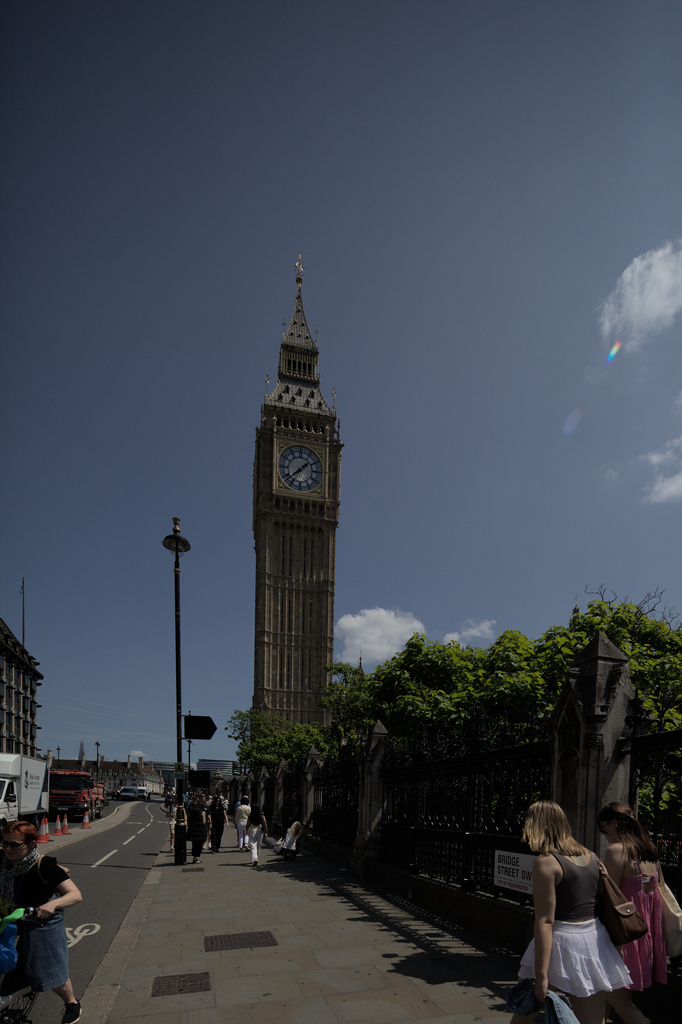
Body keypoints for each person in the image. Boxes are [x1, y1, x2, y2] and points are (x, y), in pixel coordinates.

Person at [509, 800, 631, 1024]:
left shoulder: (546, 863)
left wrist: (541, 975)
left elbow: (545, 922)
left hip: (559, 941)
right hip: (593, 940)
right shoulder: (592, 856)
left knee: (524, 1016)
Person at [0, 821, 83, 1024]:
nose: (8, 849)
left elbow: (75, 895)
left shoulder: (45, 865)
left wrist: (53, 905)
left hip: (41, 917)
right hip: (10, 914)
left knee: (48, 965)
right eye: (4, 843)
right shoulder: (3, 860)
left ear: (32, 844)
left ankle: (71, 1003)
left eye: (14, 845)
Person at [597, 802, 667, 1024]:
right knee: (605, 999)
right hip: (642, 934)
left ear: (614, 823)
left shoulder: (617, 851)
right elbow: (652, 892)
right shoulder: (649, 850)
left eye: (604, 828)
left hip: (621, 936)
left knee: (616, 999)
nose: (603, 834)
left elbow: (608, 897)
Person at [186, 795, 207, 864]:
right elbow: (204, 822)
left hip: (193, 830)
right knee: (199, 845)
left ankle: (194, 858)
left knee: (194, 845)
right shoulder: (202, 812)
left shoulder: (192, 811)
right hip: (200, 831)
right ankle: (195, 858)